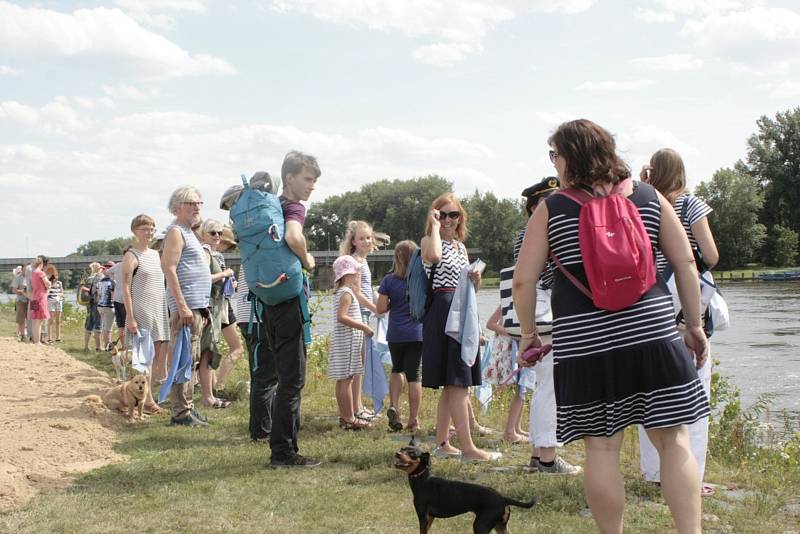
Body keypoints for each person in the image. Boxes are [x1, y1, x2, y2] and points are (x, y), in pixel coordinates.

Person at [513, 119, 710, 534]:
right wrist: (692, 324)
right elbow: (686, 262)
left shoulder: (552, 208)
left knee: (601, 450)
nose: (555, 162)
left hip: (585, 346)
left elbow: (523, 279)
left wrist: (529, 334)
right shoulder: (650, 196)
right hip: (653, 335)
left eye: (556, 155)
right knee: (673, 442)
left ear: (570, 157)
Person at [638, 148, 720, 495]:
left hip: (648, 301)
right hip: (684, 303)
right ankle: (691, 476)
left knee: (651, 386)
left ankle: (655, 471)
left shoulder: (644, 202)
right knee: (694, 387)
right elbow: (711, 256)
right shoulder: (690, 205)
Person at [421, 192, 501, 462]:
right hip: (442, 311)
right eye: (441, 214)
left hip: (461, 310)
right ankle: (468, 448)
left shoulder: (461, 247)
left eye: (453, 214)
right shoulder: (428, 241)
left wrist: (476, 279)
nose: (447, 220)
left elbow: (470, 290)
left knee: (452, 383)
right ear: (434, 215)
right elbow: (432, 256)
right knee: (458, 384)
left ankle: (443, 444)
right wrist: (433, 226)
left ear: (460, 217)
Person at [516, 177, 582, 475]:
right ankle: (548, 459)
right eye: (549, 201)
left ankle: (537, 454)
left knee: (545, 385)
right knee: (551, 387)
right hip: (548, 314)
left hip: (539, 314)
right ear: (535, 206)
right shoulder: (540, 232)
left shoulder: (527, 233)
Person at [261, 150, 321, 467]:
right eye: (308, 179)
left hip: (269, 301)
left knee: (284, 377)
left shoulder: (271, 207)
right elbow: (293, 236)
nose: (312, 186)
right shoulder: (293, 207)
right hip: (288, 303)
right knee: (292, 380)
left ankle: (282, 447)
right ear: (290, 178)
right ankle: (283, 453)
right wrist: (307, 260)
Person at [162, 185, 212, 427]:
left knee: (191, 359)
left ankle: (188, 407)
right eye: (192, 203)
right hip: (187, 307)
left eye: (199, 203)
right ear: (178, 206)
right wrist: (182, 306)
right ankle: (180, 413)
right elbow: (169, 268)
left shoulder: (190, 232)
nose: (197, 207)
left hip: (198, 305)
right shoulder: (175, 232)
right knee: (183, 359)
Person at [338, 220, 388, 421]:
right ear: (353, 241)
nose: (367, 241)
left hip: (364, 314)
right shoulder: (353, 262)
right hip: (357, 315)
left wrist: (380, 303)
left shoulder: (363, 261)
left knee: (361, 363)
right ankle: (356, 408)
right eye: (362, 238)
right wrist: (376, 308)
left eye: (369, 237)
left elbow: (366, 289)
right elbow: (356, 293)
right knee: (358, 364)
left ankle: (358, 405)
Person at [122, 214, 170, 414]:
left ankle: (149, 396)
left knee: (158, 354)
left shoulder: (155, 254)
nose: (149, 232)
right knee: (144, 358)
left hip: (158, 307)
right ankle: (147, 401)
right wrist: (131, 317)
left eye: (151, 228)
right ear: (135, 231)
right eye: (144, 229)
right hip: (141, 309)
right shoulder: (131, 255)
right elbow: (125, 287)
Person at [376, 240, 424, 433]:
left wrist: (391, 305)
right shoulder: (421, 280)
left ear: (396, 257)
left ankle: (394, 405)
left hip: (395, 333)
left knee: (397, 369)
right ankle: (414, 420)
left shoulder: (389, 280)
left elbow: (380, 308)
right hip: (417, 333)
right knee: (414, 375)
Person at [329, 255, 373, 430]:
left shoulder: (341, 292)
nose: (358, 275)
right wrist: (364, 327)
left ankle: (344, 416)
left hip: (343, 341)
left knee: (342, 381)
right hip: (347, 342)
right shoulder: (346, 293)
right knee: (347, 380)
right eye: (356, 272)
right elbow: (342, 317)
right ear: (348, 274)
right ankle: (349, 418)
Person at [197, 219, 233, 409]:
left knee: (207, 354)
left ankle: (207, 395)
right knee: (205, 353)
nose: (217, 236)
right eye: (213, 233)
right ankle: (207, 397)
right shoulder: (204, 252)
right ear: (203, 234)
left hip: (213, 308)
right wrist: (225, 274)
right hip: (208, 309)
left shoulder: (211, 253)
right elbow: (204, 278)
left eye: (220, 233)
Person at [483, 306, 529, 443]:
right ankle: (510, 432)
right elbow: (490, 324)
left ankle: (516, 427)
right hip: (512, 350)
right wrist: (513, 333)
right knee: (521, 388)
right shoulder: (508, 301)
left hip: (522, 346)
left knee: (523, 388)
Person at [213, 226, 245, 394]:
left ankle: (210, 384)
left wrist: (230, 284)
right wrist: (227, 277)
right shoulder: (215, 257)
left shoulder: (207, 255)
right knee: (236, 347)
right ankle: (219, 384)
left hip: (216, 306)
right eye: (226, 244)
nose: (226, 248)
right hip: (221, 307)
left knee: (208, 349)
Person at [28, 255, 51, 345]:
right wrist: (49, 282)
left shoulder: (33, 273)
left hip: (34, 297)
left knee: (34, 320)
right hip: (41, 298)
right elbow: (48, 284)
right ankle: (38, 342)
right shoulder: (41, 273)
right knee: (39, 321)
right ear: (41, 264)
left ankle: (35, 341)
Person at [82, 262, 104, 353]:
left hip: (89, 303)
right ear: (98, 269)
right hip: (97, 302)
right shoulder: (100, 277)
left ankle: (86, 346)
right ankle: (98, 347)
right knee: (98, 323)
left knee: (89, 323)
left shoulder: (88, 278)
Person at [96, 262, 117, 350]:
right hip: (109, 306)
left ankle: (106, 345)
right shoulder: (113, 282)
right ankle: (107, 347)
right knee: (108, 328)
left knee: (105, 326)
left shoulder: (100, 281)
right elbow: (113, 295)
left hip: (100, 306)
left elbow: (99, 295)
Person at [45, 264, 64, 343]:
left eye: (57, 275)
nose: (56, 277)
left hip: (58, 302)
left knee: (58, 320)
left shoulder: (60, 283)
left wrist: (59, 296)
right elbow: (46, 293)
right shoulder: (49, 283)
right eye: (55, 275)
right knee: (50, 320)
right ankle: (49, 337)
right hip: (50, 301)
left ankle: (58, 337)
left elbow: (62, 292)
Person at [11, 266, 28, 341]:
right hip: (21, 301)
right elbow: (13, 290)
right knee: (21, 319)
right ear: (22, 270)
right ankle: (22, 335)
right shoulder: (18, 277)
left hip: (30, 300)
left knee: (31, 319)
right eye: (25, 269)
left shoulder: (31, 277)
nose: (26, 271)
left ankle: (30, 335)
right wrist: (22, 291)